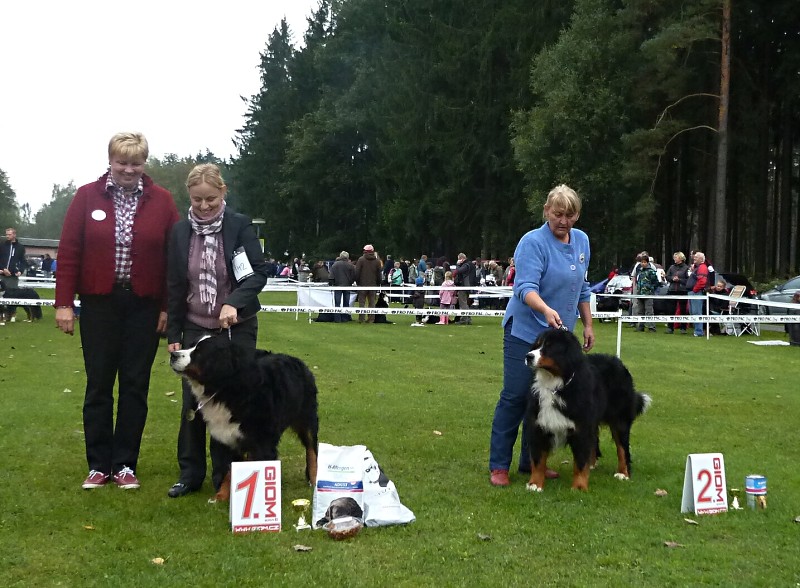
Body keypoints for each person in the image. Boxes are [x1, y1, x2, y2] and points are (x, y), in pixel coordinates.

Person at [55, 132, 179, 490]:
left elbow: (173, 257)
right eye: (122, 162)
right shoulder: (86, 197)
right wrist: (64, 303)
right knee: (98, 385)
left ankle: (125, 463)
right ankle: (98, 464)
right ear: (110, 161)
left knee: (135, 385)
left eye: (135, 162)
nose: (128, 169)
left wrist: (167, 307)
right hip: (99, 304)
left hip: (144, 306)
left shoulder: (163, 201)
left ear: (144, 164)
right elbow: (69, 253)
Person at [165, 163, 269, 499]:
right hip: (195, 325)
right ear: (189, 197)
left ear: (223, 192)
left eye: (211, 198)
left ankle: (229, 476)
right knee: (194, 404)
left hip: (235, 327)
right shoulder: (180, 232)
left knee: (235, 399)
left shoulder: (239, 227)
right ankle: (190, 473)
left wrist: (234, 302)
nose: (205, 205)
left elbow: (257, 274)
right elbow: (176, 284)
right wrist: (174, 334)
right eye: (197, 200)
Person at [489, 184, 594, 487]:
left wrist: (587, 324)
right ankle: (499, 465)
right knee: (516, 396)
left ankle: (531, 462)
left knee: (545, 401)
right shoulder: (532, 242)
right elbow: (524, 288)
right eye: (559, 214)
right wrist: (546, 310)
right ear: (547, 210)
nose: (564, 221)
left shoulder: (582, 241)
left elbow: (582, 288)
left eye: (571, 215)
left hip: (560, 337)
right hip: (526, 331)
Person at [1, 227, 27, 320]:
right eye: (6, 234)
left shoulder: (20, 247)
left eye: (9, 234)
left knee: (12, 294)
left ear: (14, 235)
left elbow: (23, 261)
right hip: (1, 274)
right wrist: (2, 269)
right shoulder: (2, 245)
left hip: (12, 276)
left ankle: (11, 314)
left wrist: (20, 271)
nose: (7, 236)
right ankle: (2, 315)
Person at [355, 244, 382, 323]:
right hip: (373, 285)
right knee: (372, 302)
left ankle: (361, 319)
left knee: (362, 302)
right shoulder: (377, 261)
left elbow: (357, 272)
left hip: (362, 285)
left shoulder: (361, 260)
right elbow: (379, 274)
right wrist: (378, 283)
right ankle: (371, 319)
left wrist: (357, 282)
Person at [665, 251, 689, 334]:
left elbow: (688, 280)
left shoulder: (686, 268)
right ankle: (670, 328)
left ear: (681, 258)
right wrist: (672, 279)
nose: (674, 259)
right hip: (672, 290)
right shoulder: (671, 267)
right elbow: (667, 277)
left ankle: (683, 328)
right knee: (670, 310)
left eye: (676, 257)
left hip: (682, 291)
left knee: (683, 310)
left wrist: (680, 280)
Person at [633, 256, 659, 332]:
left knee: (649, 311)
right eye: (642, 262)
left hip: (648, 294)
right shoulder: (640, 271)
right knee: (640, 311)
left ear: (647, 263)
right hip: (640, 293)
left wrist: (651, 288)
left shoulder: (651, 271)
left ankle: (651, 327)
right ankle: (641, 326)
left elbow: (656, 282)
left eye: (644, 262)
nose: (643, 264)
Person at [687, 251, 709, 337]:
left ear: (701, 259)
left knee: (697, 312)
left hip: (696, 293)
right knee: (693, 312)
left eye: (696, 257)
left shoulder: (702, 267)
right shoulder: (698, 267)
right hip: (693, 292)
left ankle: (699, 331)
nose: (694, 258)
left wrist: (695, 290)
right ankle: (697, 331)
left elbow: (702, 281)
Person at [330, 251, 355, 322]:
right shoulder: (350, 265)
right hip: (347, 286)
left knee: (337, 303)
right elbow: (353, 276)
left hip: (337, 285)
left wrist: (332, 283)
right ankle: (345, 318)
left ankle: (337, 318)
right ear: (347, 257)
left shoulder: (335, 265)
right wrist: (350, 282)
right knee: (346, 303)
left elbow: (331, 276)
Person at [454, 253, 474, 325]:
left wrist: (458, 265)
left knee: (463, 303)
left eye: (459, 259)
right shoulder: (470, 264)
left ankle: (464, 319)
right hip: (468, 286)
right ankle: (468, 319)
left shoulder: (466, 265)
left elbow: (458, 271)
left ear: (461, 259)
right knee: (465, 303)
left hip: (464, 286)